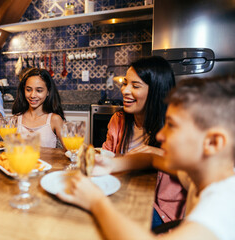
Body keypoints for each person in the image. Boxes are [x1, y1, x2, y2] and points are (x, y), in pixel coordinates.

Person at [58, 75, 235, 240]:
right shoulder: (200, 174)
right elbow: (152, 159)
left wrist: (96, 202)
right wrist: (111, 165)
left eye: (172, 126)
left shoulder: (223, 206)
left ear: (213, 142)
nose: (160, 136)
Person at [102, 56, 186, 228]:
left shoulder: (176, 129)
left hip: (160, 214)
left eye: (135, 86)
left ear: (156, 90)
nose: (124, 90)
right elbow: (107, 155)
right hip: (123, 194)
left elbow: (194, 173)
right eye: (125, 83)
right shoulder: (118, 120)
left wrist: (155, 152)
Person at [12, 68, 65, 148]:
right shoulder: (15, 120)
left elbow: (71, 150)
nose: (33, 95)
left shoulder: (54, 120)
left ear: (48, 92)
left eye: (39, 91)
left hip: (48, 161)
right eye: (28, 90)